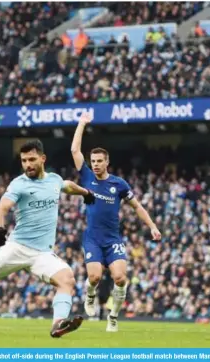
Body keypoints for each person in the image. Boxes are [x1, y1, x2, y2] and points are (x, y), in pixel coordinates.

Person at [0, 139, 96, 338]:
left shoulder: (54, 180)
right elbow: (0, 209)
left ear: (42, 158)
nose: (27, 165)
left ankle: (58, 324)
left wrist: (85, 193)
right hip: (17, 248)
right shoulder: (19, 184)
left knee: (67, 279)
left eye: (32, 159)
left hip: (42, 253)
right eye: (24, 161)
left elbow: (66, 186)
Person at [71, 113, 162, 332]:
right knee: (94, 276)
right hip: (93, 238)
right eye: (93, 161)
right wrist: (81, 124)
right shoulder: (86, 177)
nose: (95, 165)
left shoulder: (118, 184)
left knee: (120, 278)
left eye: (99, 161)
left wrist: (152, 225)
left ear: (107, 162)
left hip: (112, 239)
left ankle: (113, 316)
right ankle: (90, 294)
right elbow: (75, 150)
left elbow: (137, 206)